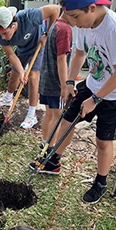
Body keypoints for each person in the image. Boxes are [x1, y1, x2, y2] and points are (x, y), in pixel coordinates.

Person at [47, 0, 116, 204]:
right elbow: (79, 54)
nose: (72, 22)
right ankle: (54, 159)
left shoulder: (114, 28)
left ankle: (101, 182)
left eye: (75, 16)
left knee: (103, 142)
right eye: (69, 16)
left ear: (92, 8)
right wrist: (68, 82)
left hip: (114, 93)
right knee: (67, 120)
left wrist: (95, 99)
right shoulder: (83, 24)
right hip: (93, 84)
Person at [0, 4, 60, 129]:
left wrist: (47, 34)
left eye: (5, 33)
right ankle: (8, 98)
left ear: (13, 25)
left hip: (37, 47)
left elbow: (55, 9)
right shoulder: (2, 37)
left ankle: (31, 115)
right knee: (15, 75)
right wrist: (22, 72)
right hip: (22, 50)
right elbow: (12, 56)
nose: (3, 37)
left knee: (33, 77)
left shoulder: (30, 16)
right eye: (0, 34)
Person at [29, 10, 73, 174]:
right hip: (56, 82)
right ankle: (49, 155)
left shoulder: (55, 25)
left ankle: (45, 144)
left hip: (46, 78)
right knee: (57, 117)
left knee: (49, 114)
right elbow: (62, 59)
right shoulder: (65, 29)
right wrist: (65, 85)